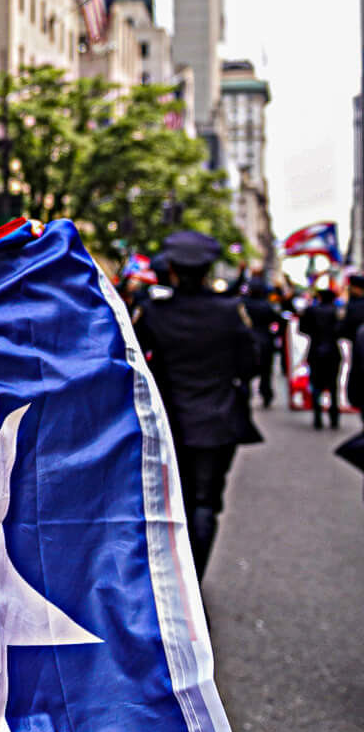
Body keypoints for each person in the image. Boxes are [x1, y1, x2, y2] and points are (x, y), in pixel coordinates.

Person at [132, 230, 263, 579]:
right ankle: (194, 579)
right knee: (207, 503)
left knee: (174, 501)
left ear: (171, 268)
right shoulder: (230, 312)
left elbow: (131, 361)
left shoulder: (154, 311)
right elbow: (251, 364)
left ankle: (173, 582)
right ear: (208, 270)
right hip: (218, 421)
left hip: (168, 421)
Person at [300, 285, 345, 429]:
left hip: (315, 351)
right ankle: (334, 416)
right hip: (332, 351)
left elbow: (302, 328)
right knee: (333, 385)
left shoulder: (311, 310)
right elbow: (341, 330)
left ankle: (317, 416)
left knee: (316, 384)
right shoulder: (336, 312)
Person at [240, 278, 281, 410]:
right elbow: (278, 321)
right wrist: (274, 334)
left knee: (245, 374)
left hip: (247, 342)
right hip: (265, 341)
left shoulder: (243, 304)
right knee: (266, 372)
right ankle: (266, 394)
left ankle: (246, 395)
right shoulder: (267, 305)